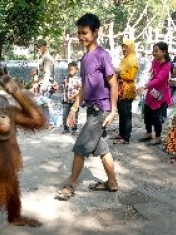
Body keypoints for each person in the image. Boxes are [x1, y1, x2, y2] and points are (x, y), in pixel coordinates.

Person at [55, 13, 119, 201]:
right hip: (92, 109)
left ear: (96, 32)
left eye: (85, 33)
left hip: (101, 110)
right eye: (79, 33)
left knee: (80, 148)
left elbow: (113, 83)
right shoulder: (85, 58)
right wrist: (74, 109)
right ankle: (112, 182)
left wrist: (113, 111)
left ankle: (71, 185)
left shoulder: (102, 55)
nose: (81, 37)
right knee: (102, 148)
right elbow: (84, 86)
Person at [136, 42, 172, 145]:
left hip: (160, 94)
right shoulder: (154, 61)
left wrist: (145, 86)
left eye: (156, 51)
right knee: (147, 113)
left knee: (156, 116)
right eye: (153, 51)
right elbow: (152, 76)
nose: (154, 53)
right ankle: (148, 134)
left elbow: (159, 79)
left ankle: (158, 136)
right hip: (151, 92)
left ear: (164, 52)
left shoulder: (167, 65)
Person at [113, 39, 139, 145]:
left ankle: (126, 137)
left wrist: (119, 72)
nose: (124, 50)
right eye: (123, 47)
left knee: (126, 114)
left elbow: (131, 76)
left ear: (131, 48)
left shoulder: (133, 60)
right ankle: (121, 134)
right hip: (120, 89)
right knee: (121, 113)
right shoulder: (125, 59)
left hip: (127, 90)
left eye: (126, 47)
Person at [61, 61, 82, 134]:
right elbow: (63, 88)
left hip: (74, 101)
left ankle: (74, 128)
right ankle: (65, 128)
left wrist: (73, 96)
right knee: (64, 115)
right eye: (69, 69)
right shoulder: (65, 78)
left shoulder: (78, 79)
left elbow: (80, 91)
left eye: (72, 69)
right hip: (66, 100)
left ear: (76, 70)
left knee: (74, 115)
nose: (70, 71)